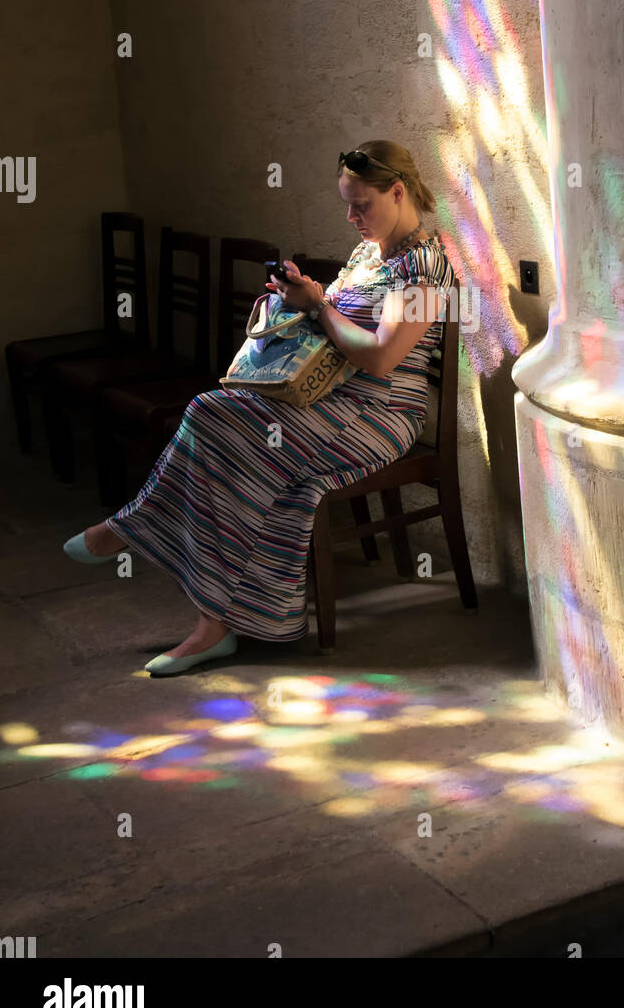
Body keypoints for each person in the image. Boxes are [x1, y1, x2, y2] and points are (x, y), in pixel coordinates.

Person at [62, 141, 456, 675]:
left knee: (211, 416)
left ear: (398, 191)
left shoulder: (429, 267)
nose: (352, 216)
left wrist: (318, 306)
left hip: (378, 413)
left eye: (361, 204)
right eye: (346, 204)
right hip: (328, 397)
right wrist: (301, 297)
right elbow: (337, 322)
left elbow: (383, 358)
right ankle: (213, 625)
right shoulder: (369, 253)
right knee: (229, 446)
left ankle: (132, 531)